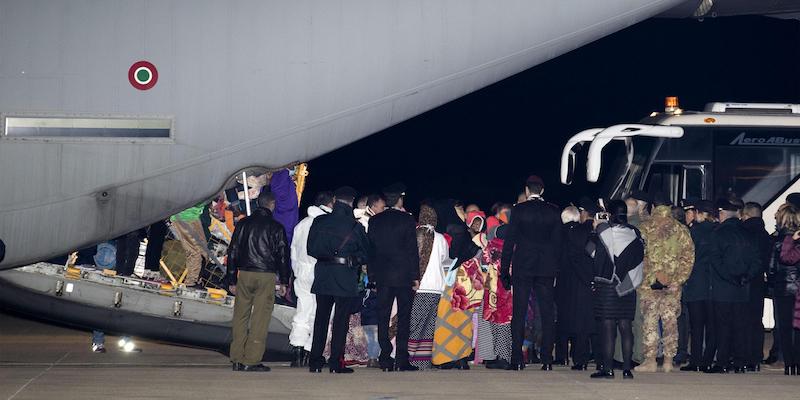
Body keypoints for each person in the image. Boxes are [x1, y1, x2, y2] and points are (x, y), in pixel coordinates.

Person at [500, 175, 562, 371]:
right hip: (546, 268)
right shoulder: (553, 211)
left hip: (523, 267)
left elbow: (509, 242)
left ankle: (517, 358)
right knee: (546, 313)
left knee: (519, 313)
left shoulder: (519, 210)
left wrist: (504, 270)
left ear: (527, 191)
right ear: (542, 191)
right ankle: (547, 359)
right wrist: (556, 269)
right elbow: (559, 243)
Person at [307, 186, 370, 374]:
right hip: (345, 275)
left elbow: (311, 249)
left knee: (321, 319)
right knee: (341, 321)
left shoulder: (319, 222)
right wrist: (355, 259)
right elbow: (367, 253)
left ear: (334, 200)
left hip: (324, 274)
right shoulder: (354, 226)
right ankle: (335, 363)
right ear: (351, 202)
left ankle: (315, 362)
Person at [226, 192, 290, 372]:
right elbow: (283, 256)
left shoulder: (243, 224)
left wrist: (231, 278)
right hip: (265, 275)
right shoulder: (276, 227)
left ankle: (237, 357)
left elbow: (232, 251)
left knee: (240, 316)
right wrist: (284, 281)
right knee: (260, 318)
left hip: (244, 274)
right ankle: (252, 359)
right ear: (272, 205)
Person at [588, 200, 644, 379]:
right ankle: (627, 369)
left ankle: (608, 369)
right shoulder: (635, 232)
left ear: (610, 214)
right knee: (626, 326)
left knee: (608, 328)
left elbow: (591, 251)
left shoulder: (605, 231)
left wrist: (595, 229)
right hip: (627, 285)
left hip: (609, 286)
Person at [637, 196, 694, 373]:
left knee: (650, 322)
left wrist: (653, 275)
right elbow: (688, 258)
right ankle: (669, 361)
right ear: (670, 207)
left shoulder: (644, 228)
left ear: (653, 206)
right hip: (673, 286)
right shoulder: (681, 229)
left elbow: (639, 256)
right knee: (671, 323)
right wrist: (678, 281)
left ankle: (651, 361)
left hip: (649, 285)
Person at [368, 182, 421, 372]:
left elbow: (371, 251)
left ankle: (385, 357)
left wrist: (372, 276)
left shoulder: (375, 221)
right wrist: (415, 275)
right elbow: (412, 250)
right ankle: (401, 359)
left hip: (382, 276)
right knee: (404, 318)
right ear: (399, 199)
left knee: (382, 317)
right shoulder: (407, 220)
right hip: (403, 275)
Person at [707, 199, 760, 374]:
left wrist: (729, 278)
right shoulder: (748, 233)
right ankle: (740, 362)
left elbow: (716, 260)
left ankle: (722, 362)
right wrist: (745, 277)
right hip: (743, 288)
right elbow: (756, 260)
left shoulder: (718, 233)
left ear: (722, 215)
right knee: (741, 325)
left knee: (723, 326)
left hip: (723, 288)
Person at [288, 191, 334, 367]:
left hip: (301, 272)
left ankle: (297, 350)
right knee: (319, 313)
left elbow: (293, 251)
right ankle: (310, 350)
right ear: (330, 203)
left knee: (302, 311)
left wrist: (296, 271)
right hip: (318, 272)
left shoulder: (302, 223)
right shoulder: (325, 224)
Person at [407, 205, 449, 369]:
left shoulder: (416, 234)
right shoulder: (441, 238)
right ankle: (423, 361)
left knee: (415, 323)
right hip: (437, 288)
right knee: (429, 325)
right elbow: (446, 261)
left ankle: (410, 357)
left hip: (420, 286)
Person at [556, 206, 595, 371]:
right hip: (582, 283)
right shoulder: (585, 233)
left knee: (562, 321)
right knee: (582, 322)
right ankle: (582, 358)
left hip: (562, 283)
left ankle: (561, 356)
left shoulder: (558, 234)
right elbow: (591, 254)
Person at [680, 200, 717, 372]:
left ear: (699, 213)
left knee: (696, 326)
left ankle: (695, 360)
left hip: (695, 283)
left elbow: (687, 258)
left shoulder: (693, 232)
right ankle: (707, 359)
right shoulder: (717, 231)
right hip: (713, 285)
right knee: (711, 325)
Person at [741, 202, 772, 372]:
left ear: (746, 215)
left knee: (743, 320)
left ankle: (744, 355)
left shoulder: (743, 233)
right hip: (759, 282)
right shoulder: (765, 235)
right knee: (756, 320)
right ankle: (756, 356)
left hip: (744, 281)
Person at [772, 204, 800, 375]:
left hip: (784, 286)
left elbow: (784, 259)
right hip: (795, 286)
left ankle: (790, 362)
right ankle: (795, 361)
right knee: (796, 327)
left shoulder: (781, 239)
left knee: (784, 326)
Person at [171, 202, 209, 288]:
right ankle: (192, 282)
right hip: (185, 217)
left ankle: (195, 280)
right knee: (196, 251)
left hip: (190, 216)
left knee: (201, 252)